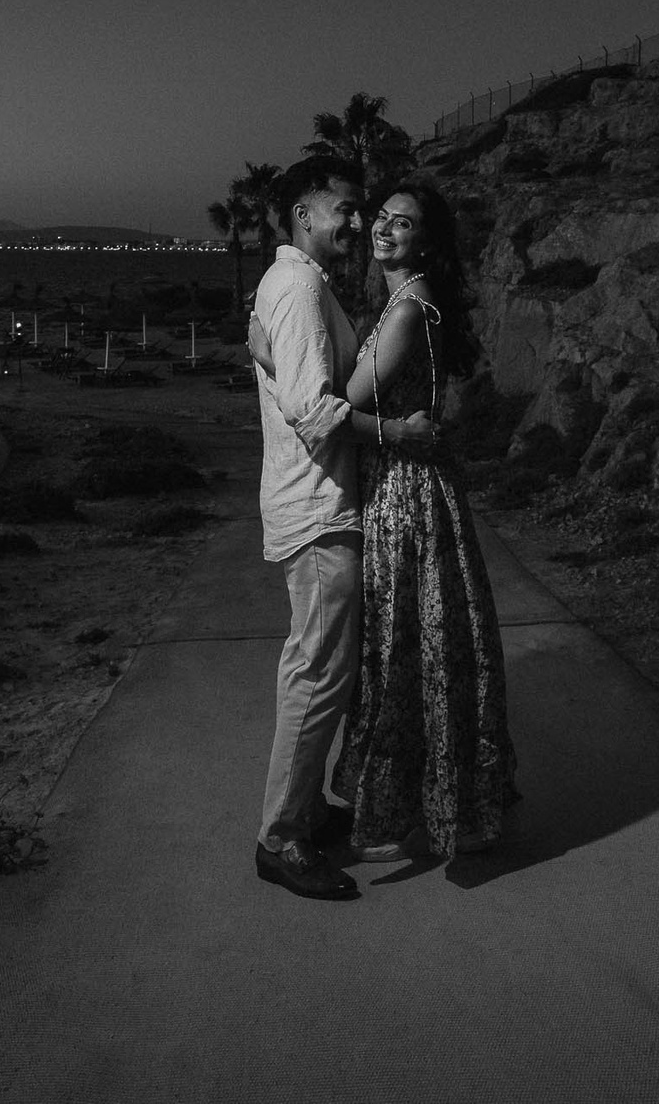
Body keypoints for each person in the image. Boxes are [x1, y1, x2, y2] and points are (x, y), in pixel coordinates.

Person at [250, 155, 435, 901]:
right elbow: (312, 411)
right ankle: (281, 839)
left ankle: (295, 811)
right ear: (303, 211)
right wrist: (402, 435)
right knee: (316, 675)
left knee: (319, 671)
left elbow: (292, 376)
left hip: (317, 503)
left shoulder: (294, 284)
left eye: (365, 212)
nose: (358, 223)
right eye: (345, 209)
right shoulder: (296, 286)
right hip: (318, 507)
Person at [334, 180, 520, 861]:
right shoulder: (398, 304)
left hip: (406, 494)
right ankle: (434, 802)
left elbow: (344, 404)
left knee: (405, 645)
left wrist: (269, 348)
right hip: (411, 483)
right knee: (421, 645)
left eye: (402, 223)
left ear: (425, 241)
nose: (384, 228)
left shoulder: (408, 309)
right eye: (382, 217)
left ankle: (422, 807)